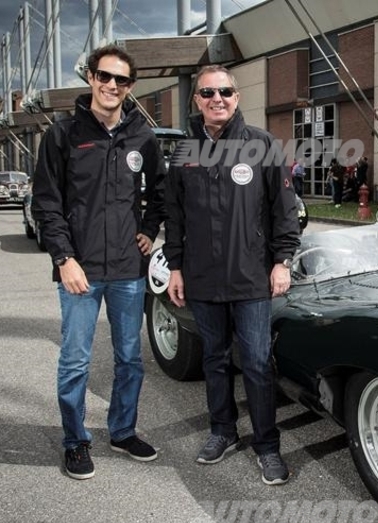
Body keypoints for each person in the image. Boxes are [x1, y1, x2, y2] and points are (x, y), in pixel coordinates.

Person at [32, 45, 166, 480]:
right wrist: (64, 259)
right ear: (90, 77)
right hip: (81, 272)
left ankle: (122, 431)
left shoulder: (141, 136)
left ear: (131, 87)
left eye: (121, 80)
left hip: (129, 269)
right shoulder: (63, 133)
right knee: (75, 362)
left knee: (130, 358)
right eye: (104, 76)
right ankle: (75, 442)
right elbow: (46, 203)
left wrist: (148, 227)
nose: (112, 86)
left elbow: (161, 190)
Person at [163, 64, 300, 485]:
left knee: (257, 362)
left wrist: (282, 261)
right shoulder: (186, 152)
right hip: (202, 278)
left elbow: (284, 210)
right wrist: (176, 268)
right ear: (197, 100)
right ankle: (222, 432)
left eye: (224, 91)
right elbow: (175, 216)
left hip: (250, 277)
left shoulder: (262, 145)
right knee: (214, 359)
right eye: (207, 92)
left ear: (236, 97)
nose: (216, 98)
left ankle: (267, 445)